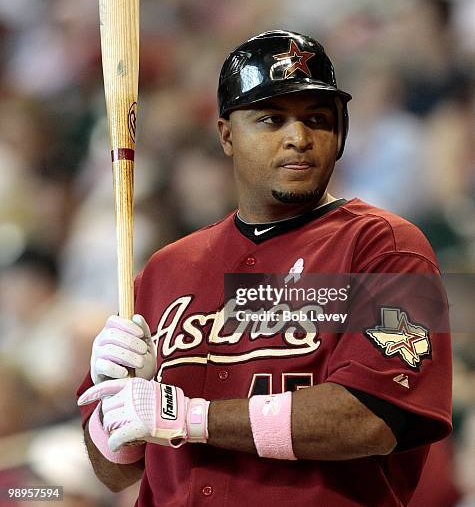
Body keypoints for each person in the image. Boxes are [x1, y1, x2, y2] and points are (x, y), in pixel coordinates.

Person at [77, 30, 452, 506]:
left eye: (318, 120)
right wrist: (116, 399)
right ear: (227, 135)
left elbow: (370, 420)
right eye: (271, 119)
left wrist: (191, 417)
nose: (299, 138)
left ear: (340, 135)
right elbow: (114, 473)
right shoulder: (166, 268)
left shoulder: (389, 248)